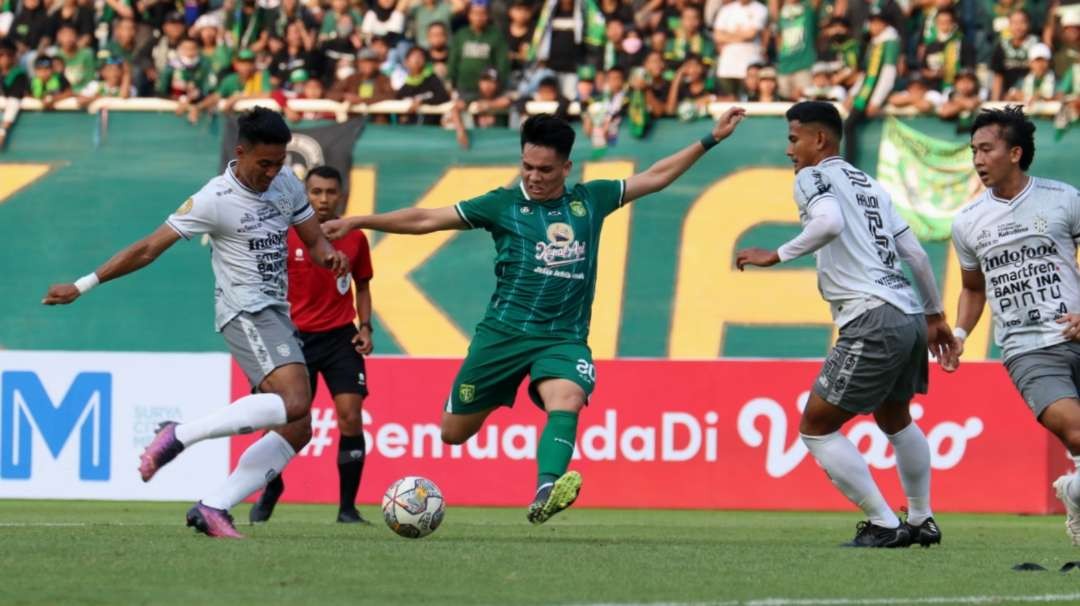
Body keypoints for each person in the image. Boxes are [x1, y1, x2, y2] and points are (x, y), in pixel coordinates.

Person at [322, 109, 746, 524]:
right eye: (527, 166)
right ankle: (505, 397)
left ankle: (547, 488)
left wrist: (710, 139)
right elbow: (427, 218)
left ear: (566, 167)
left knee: (569, 398)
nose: (534, 177)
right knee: (452, 432)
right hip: (502, 336)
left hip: (563, 337)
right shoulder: (502, 205)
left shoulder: (590, 201)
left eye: (545, 169)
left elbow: (656, 176)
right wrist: (360, 220)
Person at [42, 108, 350, 539]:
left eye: (279, 162)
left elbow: (314, 241)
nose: (272, 171)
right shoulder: (214, 199)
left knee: (298, 428)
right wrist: (83, 283)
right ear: (239, 152)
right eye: (264, 163)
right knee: (297, 400)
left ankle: (214, 506)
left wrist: (329, 258)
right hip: (244, 310)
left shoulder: (285, 184)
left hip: (277, 313)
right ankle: (179, 435)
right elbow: (149, 247)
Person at [735, 101, 953, 548]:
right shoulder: (872, 185)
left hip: (870, 315)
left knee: (816, 426)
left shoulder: (812, 177)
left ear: (820, 140)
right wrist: (934, 314)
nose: (789, 151)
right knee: (895, 417)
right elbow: (914, 255)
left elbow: (829, 222)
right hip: (908, 312)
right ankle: (921, 518)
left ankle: (884, 524)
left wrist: (774, 254)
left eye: (794, 139)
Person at [942, 106, 1080, 546]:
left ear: (1015, 152)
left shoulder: (1063, 198)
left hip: (1075, 330)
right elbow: (973, 289)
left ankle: (1075, 491)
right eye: (973, 151)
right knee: (1075, 429)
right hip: (1027, 349)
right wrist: (960, 334)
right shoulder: (967, 222)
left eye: (987, 149)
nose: (978, 159)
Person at [250, 165, 375, 525]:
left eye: (330, 192)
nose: (323, 199)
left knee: (351, 417)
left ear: (342, 195)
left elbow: (363, 286)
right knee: (280, 420)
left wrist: (365, 327)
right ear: (305, 195)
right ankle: (271, 486)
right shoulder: (284, 235)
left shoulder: (355, 238)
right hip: (292, 339)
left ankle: (347, 509)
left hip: (340, 337)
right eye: (316, 192)